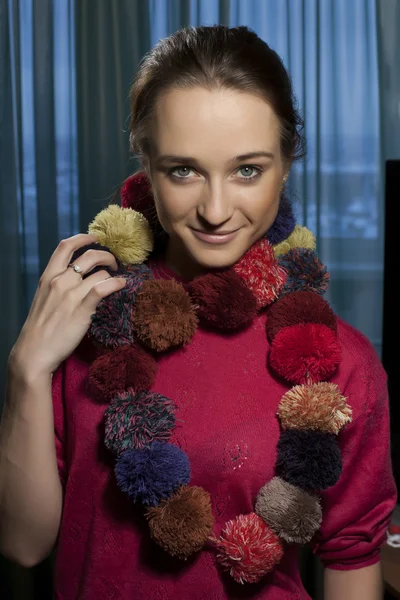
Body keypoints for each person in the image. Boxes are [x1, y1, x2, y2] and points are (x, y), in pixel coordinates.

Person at [0, 24, 397, 600]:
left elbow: (350, 555)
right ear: (147, 163)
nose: (215, 209)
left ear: (286, 164)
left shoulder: (342, 364)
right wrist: (27, 370)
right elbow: (22, 543)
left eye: (247, 170)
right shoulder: (83, 323)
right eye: (183, 169)